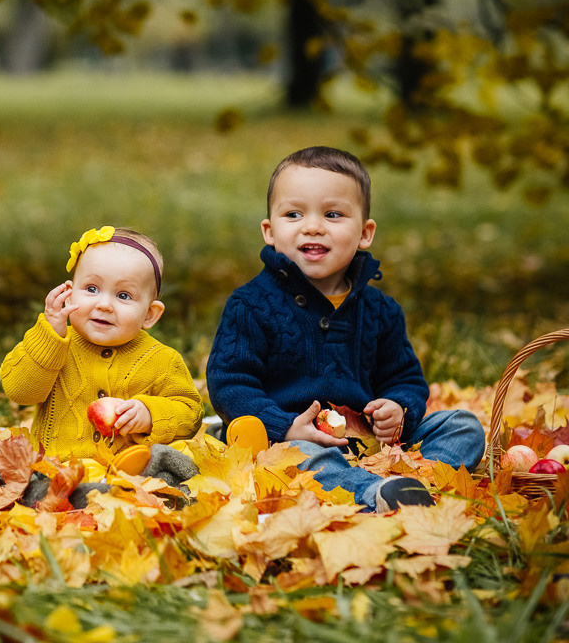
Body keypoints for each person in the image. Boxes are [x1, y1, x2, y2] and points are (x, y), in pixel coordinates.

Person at [206, 146, 486, 511]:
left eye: (333, 214)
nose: (312, 226)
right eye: (293, 214)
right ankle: (371, 494)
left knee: (463, 426)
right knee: (300, 458)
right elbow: (230, 383)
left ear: (365, 233)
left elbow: (404, 378)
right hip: (292, 442)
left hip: (372, 444)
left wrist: (398, 410)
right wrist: (283, 426)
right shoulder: (251, 305)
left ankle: (411, 485)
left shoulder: (381, 310)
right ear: (269, 231)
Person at [0, 225, 203, 462]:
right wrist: (49, 338)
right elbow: (19, 392)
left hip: (131, 471)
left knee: (178, 461)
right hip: (56, 467)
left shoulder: (162, 360)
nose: (104, 304)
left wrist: (150, 415)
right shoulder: (53, 344)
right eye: (92, 289)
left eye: (123, 295)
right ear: (69, 295)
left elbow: (191, 415)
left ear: (149, 314)